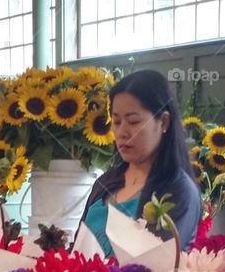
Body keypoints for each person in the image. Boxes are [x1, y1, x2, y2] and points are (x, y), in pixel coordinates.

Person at [74, 69, 201, 258]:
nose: (122, 132)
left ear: (164, 122)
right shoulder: (105, 182)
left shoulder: (179, 191)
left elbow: (152, 270)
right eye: (116, 122)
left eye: (134, 121)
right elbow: (76, 251)